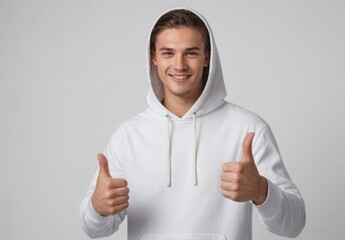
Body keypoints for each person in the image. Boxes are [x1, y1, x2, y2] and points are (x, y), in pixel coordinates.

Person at [80, 7, 305, 240]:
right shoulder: (128, 136)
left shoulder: (248, 129)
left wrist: (262, 190)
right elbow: (94, 230)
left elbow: (293, 224)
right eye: (168, 53)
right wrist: (98, 210)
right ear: (153, 57)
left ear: (207, 56)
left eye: (191, 53)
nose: (179, 65)